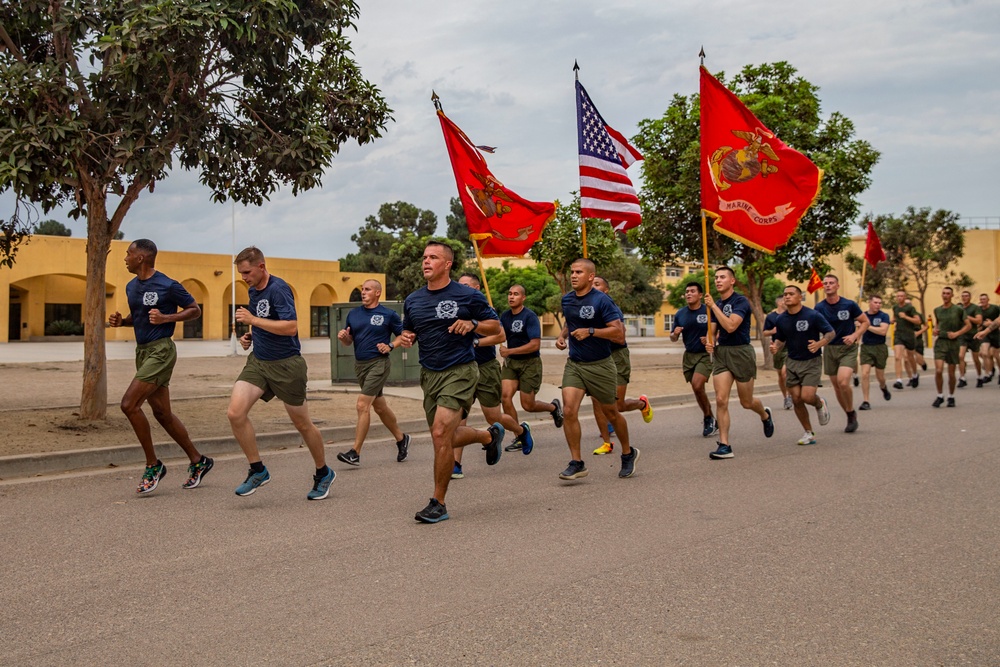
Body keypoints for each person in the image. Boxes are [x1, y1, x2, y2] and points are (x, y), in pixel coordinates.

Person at [399, 242, 504, 523]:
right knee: (444, 436)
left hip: (460, 370)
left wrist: (473, 324)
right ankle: (488, 436)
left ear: (447, 264)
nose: (426, 261)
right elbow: (408, 331)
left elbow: (495, 327)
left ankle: (438, 503)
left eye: (433, 257)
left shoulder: (467, 295)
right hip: (429, 374)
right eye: (424, 257)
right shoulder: (413, 300)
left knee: (439, 434)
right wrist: (406, 338)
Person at [227, 246, 335, 500]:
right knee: (235, 413)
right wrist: (250, 336)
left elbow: (290, 327)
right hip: (259, 363)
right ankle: (258, 470)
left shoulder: (279, 289)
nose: (244, 277)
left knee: (302, 424)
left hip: (287, 365)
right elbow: (264, 321)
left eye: (247, 272)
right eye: (241, 273)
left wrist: (253, 321)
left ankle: (323, 472)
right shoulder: (253, 290)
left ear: (261, 267)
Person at [108, 239, 213, 494]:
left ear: (141, 258)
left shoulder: (168, 285)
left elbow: (194, 310)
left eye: (128, 254)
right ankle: (198, 461)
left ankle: (153, 465)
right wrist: (123, 322)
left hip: (161, 351)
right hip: (143, 352)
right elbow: (139, 317)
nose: (125, 258)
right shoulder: (131, 286)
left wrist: (167, 317)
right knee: (162, 414)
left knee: (129, 405)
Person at [554, 259, 639, 479]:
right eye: (572, 272)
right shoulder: (567, 299)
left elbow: (618, 333)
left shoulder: (603, 300)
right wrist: (562, 336)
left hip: (601, 365)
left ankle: (628, 453)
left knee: (612, 413)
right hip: (575, 364)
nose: (573, 276)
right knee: (569, 410)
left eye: (579, 272)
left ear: (591, 276)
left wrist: (591, 331)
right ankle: (577, 462)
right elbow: (571, 322)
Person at [451, 273, 528, 479]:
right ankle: (456, 464)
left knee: (493, 417)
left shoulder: (486, 310)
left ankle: (521, 431)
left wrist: (475, 342)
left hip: (485, 367)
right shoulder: (453, 309)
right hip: (462, 369)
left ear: (476, 288)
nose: (460, 289)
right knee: (459, 418)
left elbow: (500, 335)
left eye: (465, 285)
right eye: (459, 285)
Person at [334, 279, 411, 467]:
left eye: (367, 289)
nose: (363, 292)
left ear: (377, 292)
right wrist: (344, 338)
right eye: (362, 289)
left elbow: (403, 336)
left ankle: (355, 453)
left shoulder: (388, 314)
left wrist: (390, 345)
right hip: (360, 365)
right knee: (380, 407)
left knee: (362, 405)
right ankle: (402, 438)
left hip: (379, 363)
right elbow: (349, 341)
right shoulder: (353, 314)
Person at [703, 266, 774, 459]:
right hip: (722, 354)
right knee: (720, 399)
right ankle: (724, 445)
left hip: (742, 353)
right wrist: (709, 342)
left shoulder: (741, 301)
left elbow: (731, 326)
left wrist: (713, 306)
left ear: (732, 281)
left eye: (722, 277)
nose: (718, 280)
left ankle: (765, 415)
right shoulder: (716, 304)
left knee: (746, 402)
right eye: (716, 277)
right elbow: (713, 332)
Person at [589, 275, 653, 455]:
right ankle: (607, 443)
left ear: (606, 290)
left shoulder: (611, 307)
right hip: (598, 357)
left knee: (618, 405)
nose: (593, 287)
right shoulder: (588, 309)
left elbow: (620, 337)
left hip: (617, 356)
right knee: (596, 400)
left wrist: (594, 333)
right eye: (591, 284)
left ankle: (641, 404)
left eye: (597, 284)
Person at [498, 283, 563, 454]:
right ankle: (520, 436)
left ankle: (553, 408)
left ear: (523, 298)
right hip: (511, 364)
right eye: (510, 293)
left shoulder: (530, 317)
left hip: (530, 363)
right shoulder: (505, 316)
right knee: (505, 397)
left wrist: (509, 351)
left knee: (528, 405)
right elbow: (498, 334)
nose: (511, 297)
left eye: (516, 294)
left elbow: (534, 345)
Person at [769, 285, 834, 445]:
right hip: (792, 361)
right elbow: (781, 339)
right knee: (796, 399)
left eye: (791, 294)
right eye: (785, 294)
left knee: (807, 397)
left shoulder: (812, 315)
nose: (787, 296)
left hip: (811, 361)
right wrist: (776, 347)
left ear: (800, 297)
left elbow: (830, 332)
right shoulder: (781, 319)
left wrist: (819, 344)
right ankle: (808, 432)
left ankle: (819, 403)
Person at [814, 274, 869, 433]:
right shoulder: (819, 308)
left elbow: (865, 322)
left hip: (847, 348)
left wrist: (854, 335)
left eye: (831, 283)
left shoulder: (849, 304)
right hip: (830, 348)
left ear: (837, 286)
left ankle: (851, 411)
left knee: (843, 382)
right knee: (837, 387)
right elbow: (814, 326)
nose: (828, 285)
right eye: (825, 283)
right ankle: (849, 414)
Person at [670, 281, 717, 436]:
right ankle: (710, 417)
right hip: (689, 356)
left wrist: (709, 339)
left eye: (692, 291)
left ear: (700, 295)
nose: (688, 294)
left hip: (705, 354)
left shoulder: (708, 311)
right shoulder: (680, 314)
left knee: (697, 385)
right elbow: (673, 338)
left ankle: (708, 418)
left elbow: (717, 332)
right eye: (687, 292)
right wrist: (675, 334)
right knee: (698, 390)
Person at [931, 286, 971, 407]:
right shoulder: (937, 310)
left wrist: (957, 334)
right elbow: (937, 324)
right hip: (941, 342)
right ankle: (940, 395)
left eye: (948, 293)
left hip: (953, 343)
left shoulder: (958, 310)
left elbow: (968, 325)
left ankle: (951, 396)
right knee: (938, 370)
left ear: (952, 295)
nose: (945, 295)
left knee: (951, 373)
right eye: (944, 293)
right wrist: (935, 330)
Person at [857, 295, 893, 410]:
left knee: (880, 376)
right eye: (875, 302)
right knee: (865, 373)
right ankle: (866, 401)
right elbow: (858, 332)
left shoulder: (883, 316)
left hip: (880, 347)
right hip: (866, 347)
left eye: (879, 303)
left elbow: (883, 331)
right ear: (870, 303)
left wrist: (866, 326)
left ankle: (883, 387)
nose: (878, 305)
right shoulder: (863, 316)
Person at [762, 295, 792, 410]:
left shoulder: (791, 314)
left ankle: (790, 395)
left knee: (785, 373)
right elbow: (765, 333)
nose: (787, 301)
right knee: (780, 375)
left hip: (790, 347)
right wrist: (772, 331)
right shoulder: (771, 317)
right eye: (785, 300)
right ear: (779, 303)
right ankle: (786, 397)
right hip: (777, 347)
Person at [891, 290, 921, 390]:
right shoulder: (895, 307)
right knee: (897, 357)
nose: (899, 298)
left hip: (909, 335)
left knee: (910, 357)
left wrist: (906, 317)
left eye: (901, 296)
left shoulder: (910, 308)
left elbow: (918, 321)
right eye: (898, 296)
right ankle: (899, 380)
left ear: (905, 297)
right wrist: (892, 320)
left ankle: (915, 374)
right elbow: (894, 317)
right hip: (898, 335)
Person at [957, 290, 983, 388]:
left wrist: (967, 317)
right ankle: (962, 378)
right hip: (962, 336)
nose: (964, 298)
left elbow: (979, 321)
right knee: (960, 356)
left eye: (966, 296)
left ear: (970, 297)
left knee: (975, 358)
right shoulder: (959, 308)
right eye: (963, 296)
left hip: (973, 335)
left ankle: (979, 376)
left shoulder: (975, 308)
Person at [974, 293, 1000, 384]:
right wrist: (984, 331)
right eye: (981, 299)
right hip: (986, 334)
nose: (982, 301)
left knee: (996, 355)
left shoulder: (995, 308)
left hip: (995, 334)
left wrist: (990, 323)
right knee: (984, 353)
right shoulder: (978, 309)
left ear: (988, 300)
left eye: (984, 299)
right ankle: (988, 373)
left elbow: (997, 321)